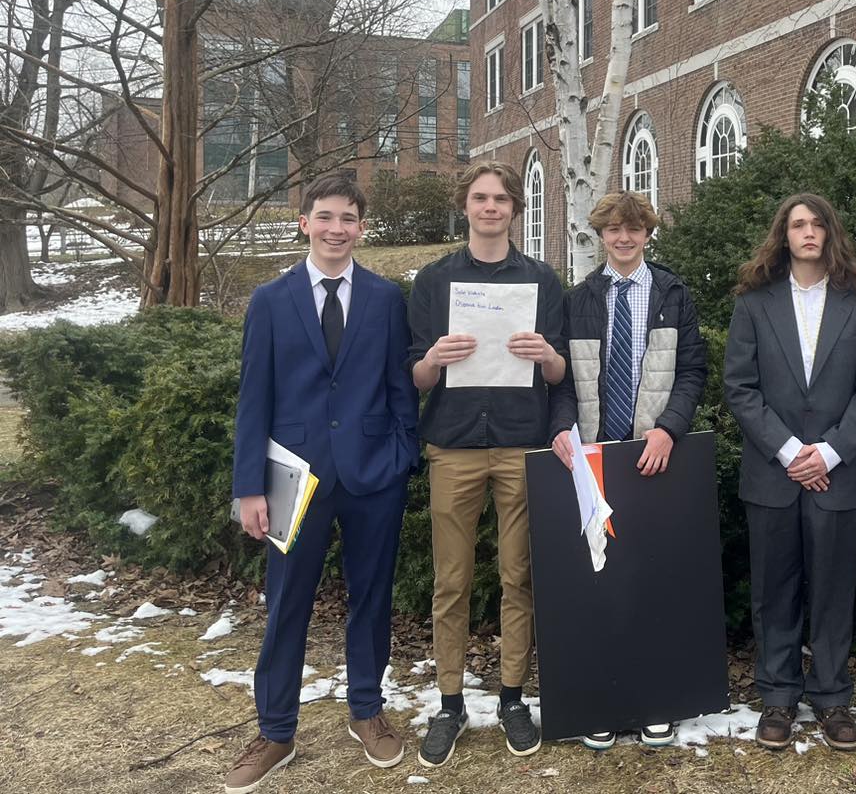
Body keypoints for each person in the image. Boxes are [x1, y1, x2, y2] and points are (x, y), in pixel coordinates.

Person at [226, 175, 419, 794]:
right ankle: (276, 729)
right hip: (291, 479)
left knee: (371, 598)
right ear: (304, 221)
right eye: (326, 216)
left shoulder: (387, 298)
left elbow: (399, 386)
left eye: (349, 218)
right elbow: (253, 398)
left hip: (372, 475)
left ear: (362, 227)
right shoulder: (271, 300)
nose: (338, 228)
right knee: (286, 605)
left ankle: (367, 710)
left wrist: (403, 456)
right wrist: (248, 487)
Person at [407, 160, 575, 765]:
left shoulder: (542, 280)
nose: (491, 207)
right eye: (480, 198)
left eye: (502, 199)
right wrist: (433, 358)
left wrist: (547, 355)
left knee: (518, 576)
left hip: (522, 444)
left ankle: (511, 697)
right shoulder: (433, 280)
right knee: (450, 581)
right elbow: (415, 375)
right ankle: (449, 703)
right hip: (452, 444)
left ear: (514, 209)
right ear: (466, 205)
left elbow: (560, 374)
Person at [724, 193, 856, 752]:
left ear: (831, 232)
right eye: (798, 224)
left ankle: (833, 697)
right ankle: (777, 695)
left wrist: (832, 453)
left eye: (818, 223)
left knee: (833, 589)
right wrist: (792, 451)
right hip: (773, 472)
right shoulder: (754, 301)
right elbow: (739, 389)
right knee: (775, 589)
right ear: (784, 235)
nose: (809, 232)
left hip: (837, 472)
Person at [554, 190, 708, 749]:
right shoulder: (581, 297)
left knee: (650, 578)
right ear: (601, 236)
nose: (623, 238)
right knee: (597, 584)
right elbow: (564, 381)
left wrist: (669, 426)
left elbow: (693, 369)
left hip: (653, 455)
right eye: (613, 230)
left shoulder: (672, 291)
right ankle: (603, 699)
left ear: (647, 234)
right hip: (594, 454)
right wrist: (562, 428)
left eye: (634, 230)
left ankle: (653, 699)